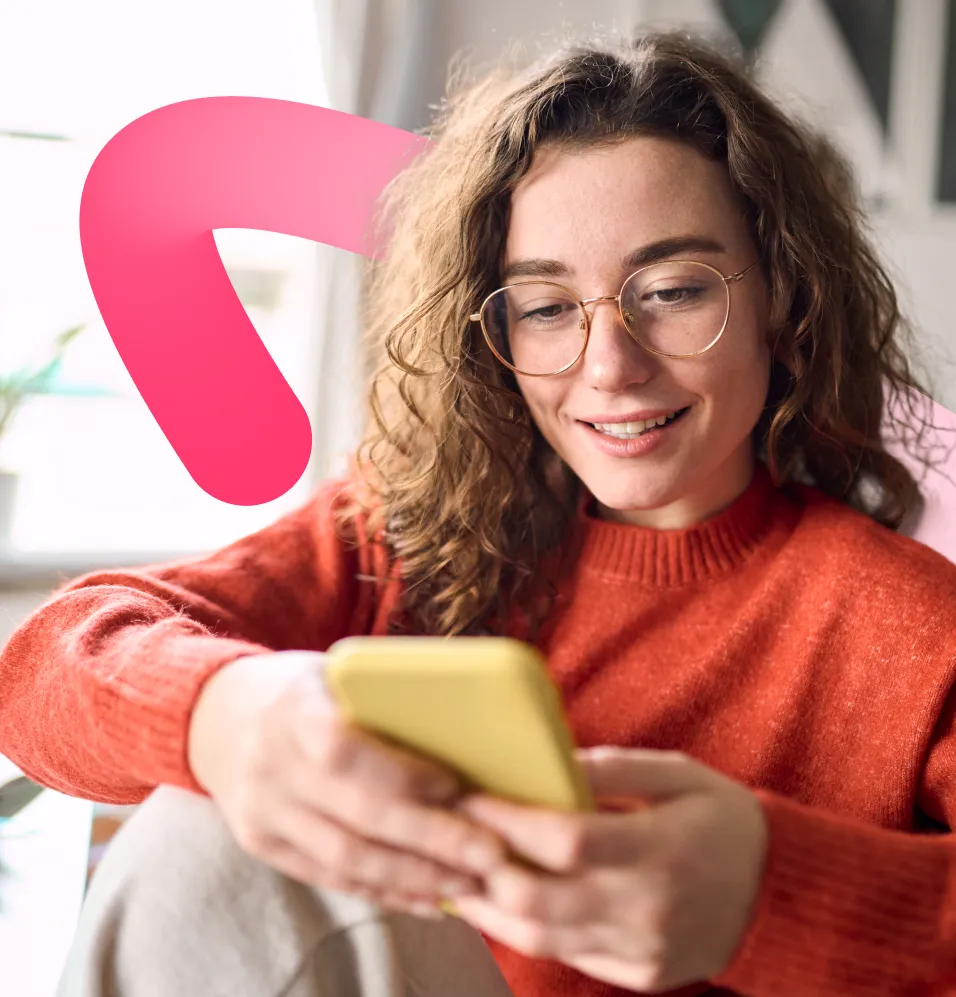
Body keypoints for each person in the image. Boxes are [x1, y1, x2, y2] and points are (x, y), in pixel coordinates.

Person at [2, 27, 956, 997]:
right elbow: (47, 663)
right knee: (196, 836)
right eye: (543, 308)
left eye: (669, 291)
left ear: (782, 302)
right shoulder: (404, 534)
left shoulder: (916, 630)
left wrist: (768, 894)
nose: (608, 365)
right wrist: (226, 719)